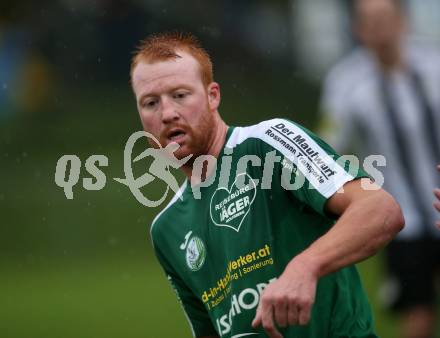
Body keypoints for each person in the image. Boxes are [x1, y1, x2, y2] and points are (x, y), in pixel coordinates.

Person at [130, 32, 404, 338]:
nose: (167, 113)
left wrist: (306, 267)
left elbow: (380, 209)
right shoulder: (166, 230)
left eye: (180, 95)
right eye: (151, 103)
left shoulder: (266, 143)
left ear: (212, 96)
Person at [320, 1, 440, 338]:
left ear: (403, 22)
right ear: (358, 30)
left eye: (386, 19)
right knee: (417, 316)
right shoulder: (345, 82)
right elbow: (329, 146)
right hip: (403, 218)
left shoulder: (434, 64)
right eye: (370, 22)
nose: (380, 29)